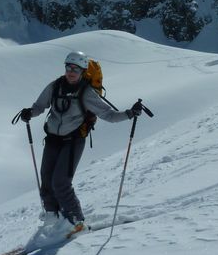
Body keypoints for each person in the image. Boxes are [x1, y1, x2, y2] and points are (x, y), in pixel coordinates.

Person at [16, 51, 143, 235]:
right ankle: (52, 215)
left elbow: (108, 115)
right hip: (52, 138)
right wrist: (30, 112)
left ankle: (76, 221)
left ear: (83, 71)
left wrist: (130, 113)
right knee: (46, 178)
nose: (71, 71)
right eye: (69, 67)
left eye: (76, 68)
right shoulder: (55, 86)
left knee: (60, 182)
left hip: (73, 141)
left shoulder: (87, 92)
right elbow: (40, 106)